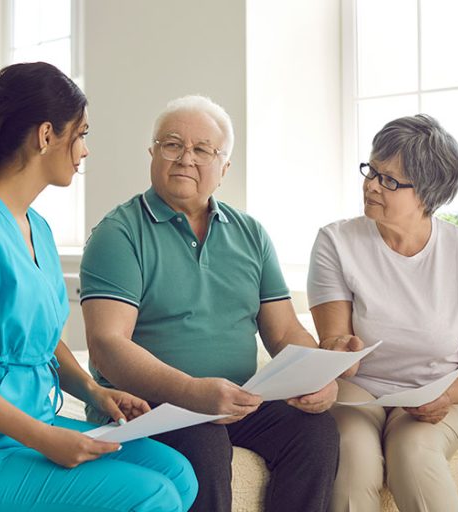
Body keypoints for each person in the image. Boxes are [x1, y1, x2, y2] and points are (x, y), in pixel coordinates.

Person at [0, 62, 197, 512]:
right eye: (82, 134)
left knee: (178, 474)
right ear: (46, 134)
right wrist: (44, 438)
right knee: (154, 496)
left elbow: (42, 338)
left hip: (31, 423)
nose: (86, 150)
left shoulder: (38, 227)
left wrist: (95, 393)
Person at [80, 94, 340, 512]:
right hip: (149, 405)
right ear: (152, 153)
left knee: (316, 431)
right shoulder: (119, 234)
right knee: (203, 438)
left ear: (224, 168)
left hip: (235, 397)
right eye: (172, 144)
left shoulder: (251, 233)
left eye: (202, 150)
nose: (185, 158)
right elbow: (107, 346)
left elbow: (285, 331)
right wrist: (191, 392)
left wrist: (318, 377)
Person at [307, 114, 458, 512]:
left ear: (428, 195)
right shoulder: (336, 241)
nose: (371, 185)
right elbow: (333, 342)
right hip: (359, 391)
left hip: (436, 389)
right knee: (355, 462)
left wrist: (447, 396)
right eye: (371, 170)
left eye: (390, 180)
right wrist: (339, 348)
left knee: (412, 456)